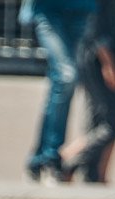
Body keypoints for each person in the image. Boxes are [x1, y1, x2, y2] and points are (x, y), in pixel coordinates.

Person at [61, 0, 115, 183]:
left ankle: (92, 173)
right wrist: (108, 63)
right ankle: (67, 159)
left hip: (105, 55)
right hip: (98, 57)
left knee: (98, 119)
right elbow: (95, 27)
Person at [22, 0, 97, 184]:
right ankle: (50, 158)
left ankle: (40, 159)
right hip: (50, 11)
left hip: (83, 10)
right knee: (66, 76)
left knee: (61, 81)